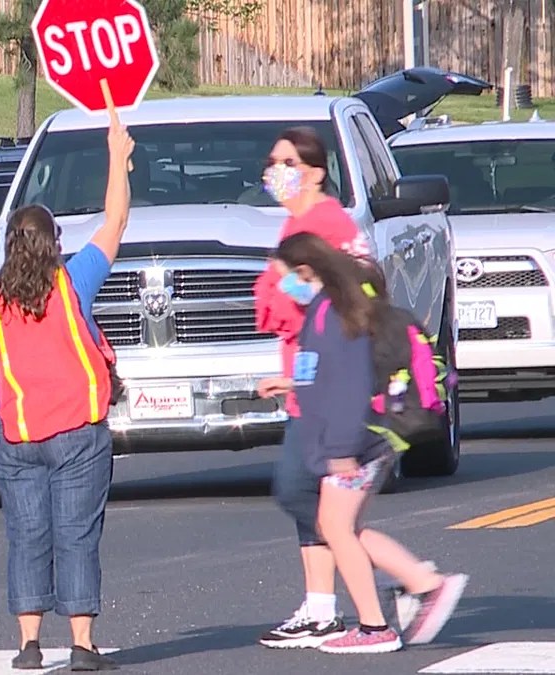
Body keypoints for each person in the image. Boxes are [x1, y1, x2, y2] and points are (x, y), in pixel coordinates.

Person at [0, 112, 134, 672]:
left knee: (28, 536)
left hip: (18, 437)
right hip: (79, 433)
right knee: (77, 536)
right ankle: (82, 645)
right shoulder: (73, 281)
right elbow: (115, 220)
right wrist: (116, 156)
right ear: (55, 242)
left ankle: (29, 646)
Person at [260, 232, 468, 654]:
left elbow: (351, 388)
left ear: (305, 271)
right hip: (353, 441)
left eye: (283, 277)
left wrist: (340, 452)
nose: (282, 288)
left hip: (358, 443)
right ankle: (424, 585)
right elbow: (326, 373)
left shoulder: (336, 314)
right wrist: (292, 382)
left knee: (336, 528)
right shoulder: (322, 311)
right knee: (342, 528)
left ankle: (377, 627)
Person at [253, 126, 374, 649]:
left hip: (326, 379)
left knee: (297, 488)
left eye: (286, 162)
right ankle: (320, 607)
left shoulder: (326, 220)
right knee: (306, 493)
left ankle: (403, 578)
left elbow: (342, 288)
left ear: (315, 171)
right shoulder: (296, 221)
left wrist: (286, 290)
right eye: (272, 162)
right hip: (304, 376)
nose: (273, 171)